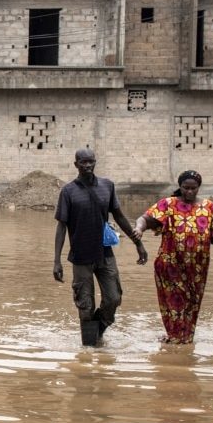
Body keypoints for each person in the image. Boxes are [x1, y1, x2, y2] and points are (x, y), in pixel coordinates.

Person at [54, 148, 148, 346]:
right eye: (83, 162)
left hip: (105, 254)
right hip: (81, 257)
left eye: (91, 161)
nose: (88, 165)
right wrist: (57, 261)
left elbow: (119, 216)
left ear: (95, 162)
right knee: (85, 304)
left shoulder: (107, 186)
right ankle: (89, 349)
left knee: (114, 297)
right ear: (76, 165)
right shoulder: (68, 191)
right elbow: (61, 226)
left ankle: (97, 331)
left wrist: (138, 243)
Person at [134, 170, 213, 344]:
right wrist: (139, 229)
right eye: (185, 188)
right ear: (180, 186)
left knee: (192, 304)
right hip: (170, 265)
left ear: (199, 187)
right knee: (174, 303)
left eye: (193, 188)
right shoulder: (168, 204)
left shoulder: (209, 208)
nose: (189, 191)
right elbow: (144, 219)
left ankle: (186, 339)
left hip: (197, 268)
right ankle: (176, 340)